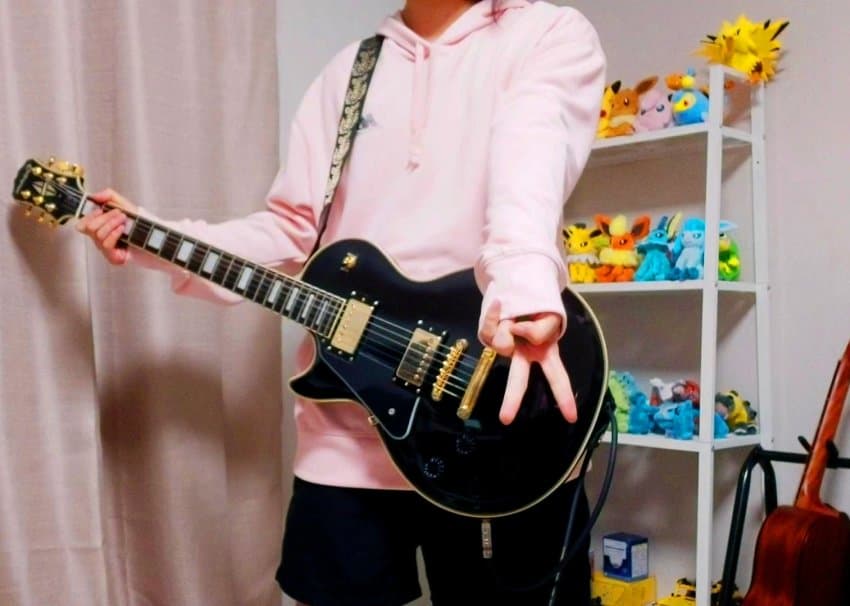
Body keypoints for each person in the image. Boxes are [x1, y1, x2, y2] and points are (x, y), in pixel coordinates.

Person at [77, 0, 606, 604]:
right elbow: (289, 231)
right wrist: (154, 235)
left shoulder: (548, 33)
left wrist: (523, 290)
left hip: (495, 418)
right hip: (345, 436)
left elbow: (529, 157)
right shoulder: (349, 72)